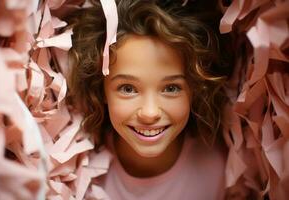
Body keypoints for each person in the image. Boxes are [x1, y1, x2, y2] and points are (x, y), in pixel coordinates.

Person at [67, 0, 233, 199]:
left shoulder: (220, 166)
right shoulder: (78, 172)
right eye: (128, 89)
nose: (150, 112)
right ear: (101, 90)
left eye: (171, 88)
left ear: (195, 89)